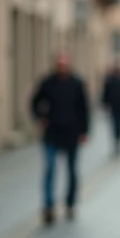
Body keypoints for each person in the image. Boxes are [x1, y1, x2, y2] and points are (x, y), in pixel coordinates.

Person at [30, 52, 89, 224]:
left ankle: (70, 203)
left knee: (71, 171)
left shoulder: (77, 83)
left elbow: (84, 109)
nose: (62, 67)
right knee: (50, 169)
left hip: (71, 134)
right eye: (60, 64)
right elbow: (35, 102)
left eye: (65, 64)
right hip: (52, 134)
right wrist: (39, 118)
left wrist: (84, 132)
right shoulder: (48, 82)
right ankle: (48, 206)